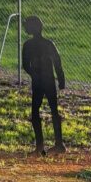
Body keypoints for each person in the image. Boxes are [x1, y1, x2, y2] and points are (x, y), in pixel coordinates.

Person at [22, 15, 65, 155]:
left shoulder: (28, 45)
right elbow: (57, 63)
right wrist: (61, 80)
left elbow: (25, 65)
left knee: (35, 112)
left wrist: (34, 74)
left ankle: (40, 146)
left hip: (38, 81)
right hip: (49, 80)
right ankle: (58, 144)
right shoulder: (48, 43)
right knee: (53, 110)